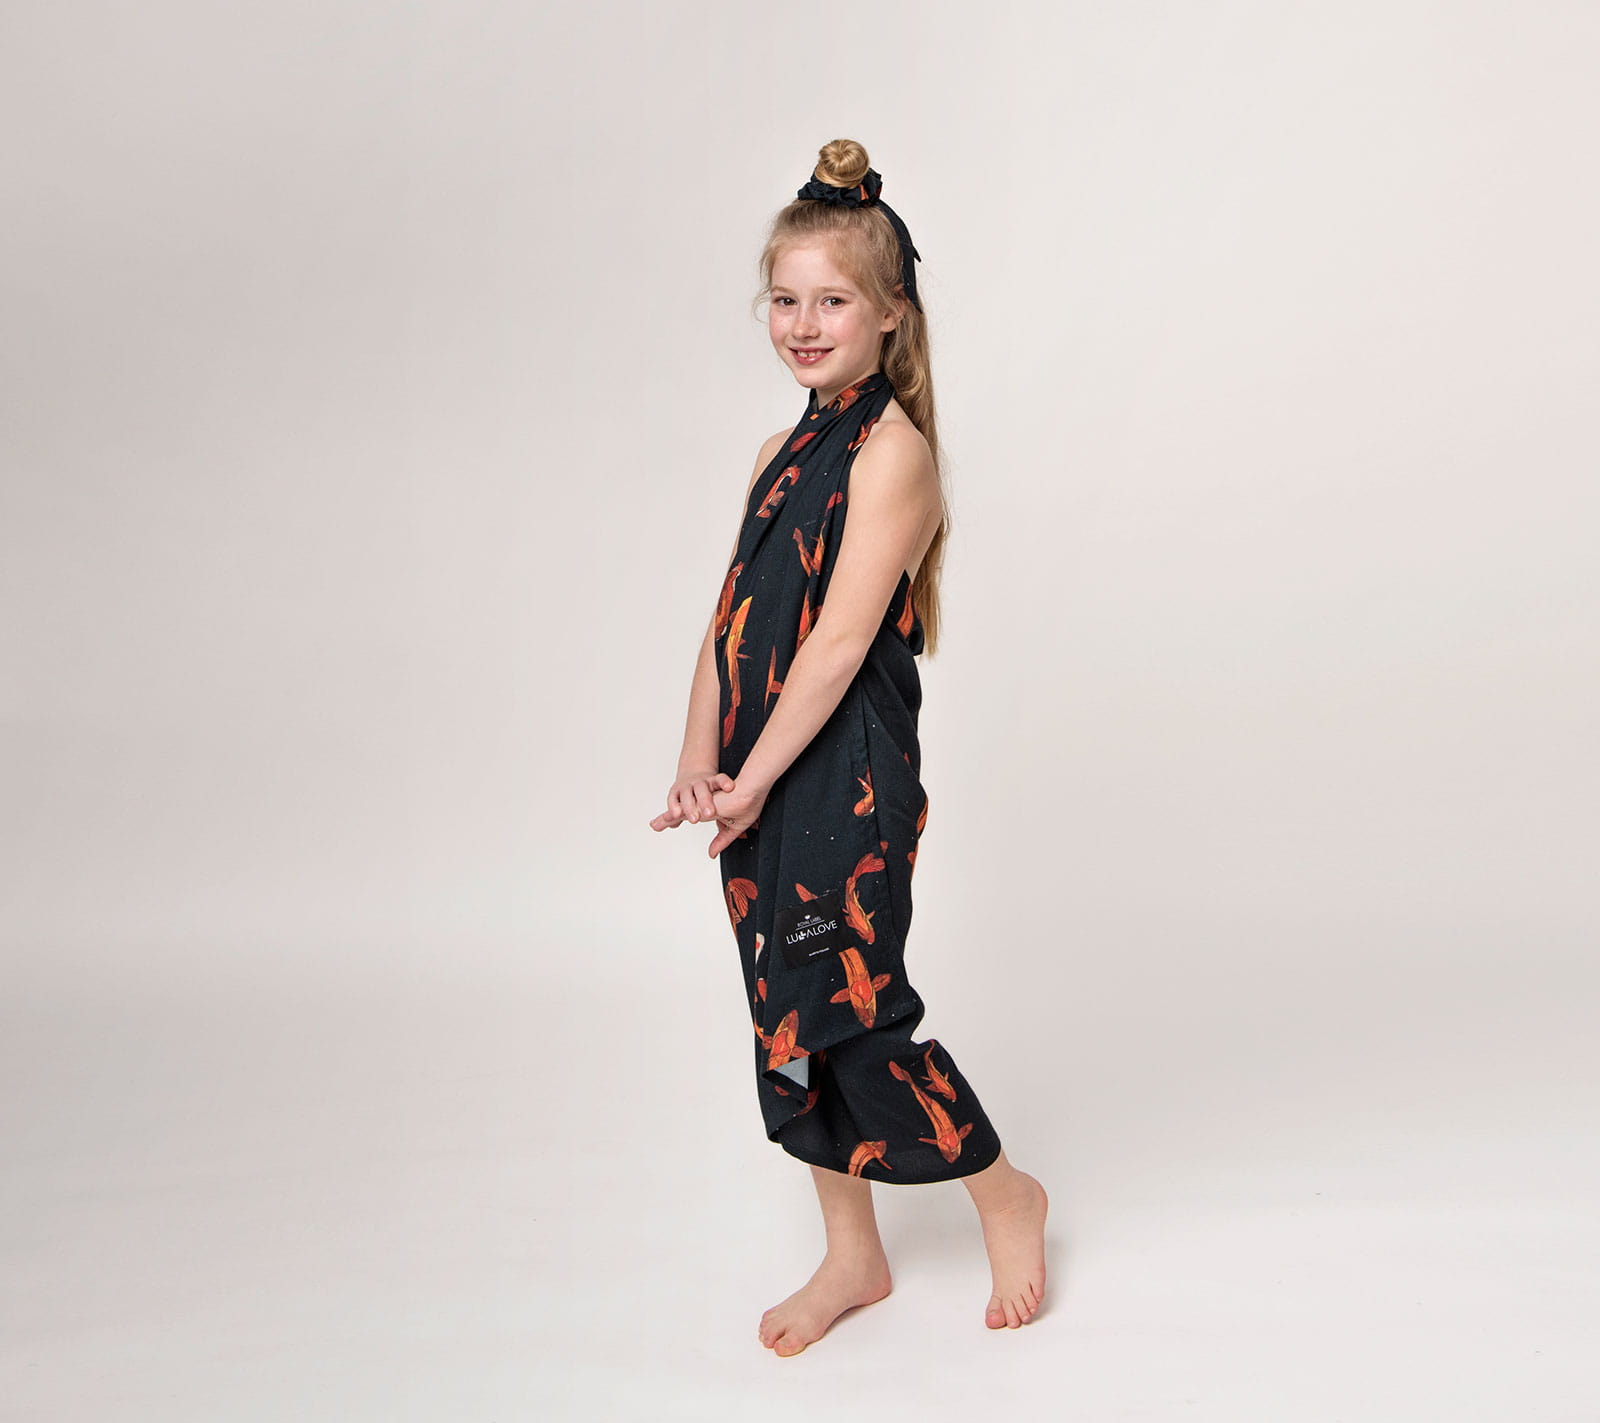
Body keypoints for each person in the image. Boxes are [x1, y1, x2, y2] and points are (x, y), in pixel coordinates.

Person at [649, 139, 1047, 1356]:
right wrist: (702, 759)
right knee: (787, 1013)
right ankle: (853, 1252)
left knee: (857, 1012)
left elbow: (832, 647)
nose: (803, 324)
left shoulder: (894, 455)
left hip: (842, 775)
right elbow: (730, 622)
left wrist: (756, 778)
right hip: (763, 771)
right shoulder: (776, 457)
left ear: (888, 314)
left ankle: (1002, 1190)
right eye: (785, 300)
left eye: (831, 302)